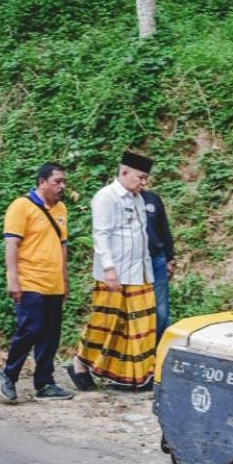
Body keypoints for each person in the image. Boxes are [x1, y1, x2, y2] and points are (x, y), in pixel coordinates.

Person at [67, 151, 157, 392]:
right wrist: (109, 269)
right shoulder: (106, 197)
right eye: (140, 177)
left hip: (140, 273)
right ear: (124, 172)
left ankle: (137, 376)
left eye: (146, 178)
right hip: (115, 274)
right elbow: (101, 235)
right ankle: (79, 363)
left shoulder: (138, 199)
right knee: (105, 323)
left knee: (140, 327)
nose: (144, 182)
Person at [0, 163, 74, 402]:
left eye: (63, 182)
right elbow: (12, 245)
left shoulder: (61, 209)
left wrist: (64, 279)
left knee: (51, 335)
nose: (62, 186)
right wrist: (13, 280)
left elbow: (62, 246)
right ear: (42, 182)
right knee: (31, 329)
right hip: (30, 281)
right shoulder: (22, 206)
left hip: (53, 284)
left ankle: (45, 383)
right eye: (56, 182)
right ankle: (9, 375)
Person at [141, 188, 175, 344]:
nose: (142, 182)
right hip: (134, 262)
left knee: (161, 309)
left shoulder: (153, 199)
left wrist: (170, 258)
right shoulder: (120, 200)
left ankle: (157, 348)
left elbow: (164, 228)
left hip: (157, 258)